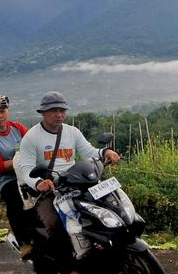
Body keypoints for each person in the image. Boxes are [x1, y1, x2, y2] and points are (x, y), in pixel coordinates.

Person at [17, 91, 121, 264]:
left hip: (76, 184)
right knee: (54, 224)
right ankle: (66, 265)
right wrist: (39, 183)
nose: (59, 115)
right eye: (53, 110)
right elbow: (26, 168)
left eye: (62, 110)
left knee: (109, 209)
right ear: (43, 112)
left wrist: (105, 152)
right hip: (50, 190)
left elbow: (89, 151)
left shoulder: (72, 132)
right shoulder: (31, 137)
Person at [0, 95, 34, 259]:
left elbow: (32, 144)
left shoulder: (17, 128)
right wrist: (19, 160)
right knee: (16, 199)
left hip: (25, 173)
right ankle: (24, 242)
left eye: (2, 111)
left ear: (7, 112)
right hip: (6, 180)